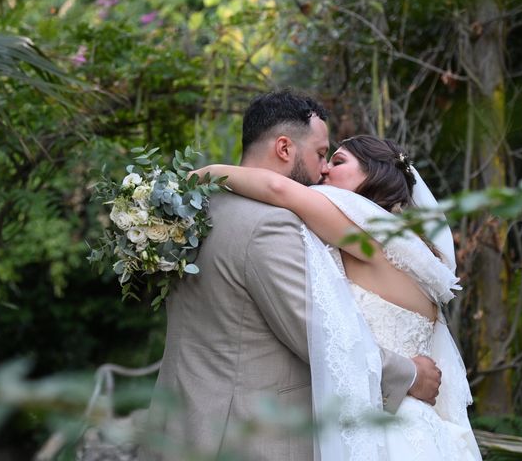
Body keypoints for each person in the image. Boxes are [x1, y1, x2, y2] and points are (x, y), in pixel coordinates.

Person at [139, 91, 441, 461]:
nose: (322, 170)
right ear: (284, 148)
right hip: (244, 438)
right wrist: (409, 376)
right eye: (319, 154)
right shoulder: (271, 225)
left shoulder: (192, 214)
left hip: (178, 425)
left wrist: (203, 176)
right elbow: (320, 335)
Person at [192, 134, 482, 460]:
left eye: (339, 161)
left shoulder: (368, 234)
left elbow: (278, 189)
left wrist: (205, 173)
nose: (325, 171)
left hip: (386, 432)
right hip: (420, 428)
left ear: (374, 175)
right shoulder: (415, 253)